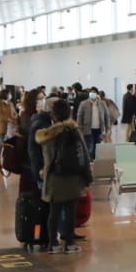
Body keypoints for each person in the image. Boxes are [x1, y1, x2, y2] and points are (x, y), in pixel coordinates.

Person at [36, 99, 90, 254]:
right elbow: (83, 155)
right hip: (72, 176)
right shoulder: (73, 131)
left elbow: (46, 157)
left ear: (53, 115)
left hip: (53, 176)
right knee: (70, 211)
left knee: (54, 211)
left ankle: (53, 243)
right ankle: (69, 243)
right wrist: (87, 175)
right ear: (69, 113)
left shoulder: (46, 135)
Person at [75, 88, 116, 160]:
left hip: (99, 129)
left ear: (97, 94)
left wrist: (108, 128)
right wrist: (79, 128)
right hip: (87, 129)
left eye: (94, 93)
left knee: (97, 147)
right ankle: (90, 162)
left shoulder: (102, 103)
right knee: (89, 147)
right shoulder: (84, 103)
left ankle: (95, 162)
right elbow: (79, 116)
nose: (92, 94)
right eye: (91, 93)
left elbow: (106, 116)